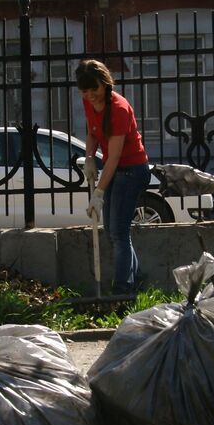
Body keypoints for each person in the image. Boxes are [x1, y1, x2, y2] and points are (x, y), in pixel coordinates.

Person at [76, 59, 150, 294]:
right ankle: (137, 279)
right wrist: (89, 156)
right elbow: (92, 132)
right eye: (85, 91)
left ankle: (122, 291)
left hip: (133, 170)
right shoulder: (89, 102)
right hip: (116, 169)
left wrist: (98, 192)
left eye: (94, 89)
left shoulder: (118, 108)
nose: (90, 95)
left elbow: (115, 157)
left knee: (119, 232)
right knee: (112, 231)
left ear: (105, 84)